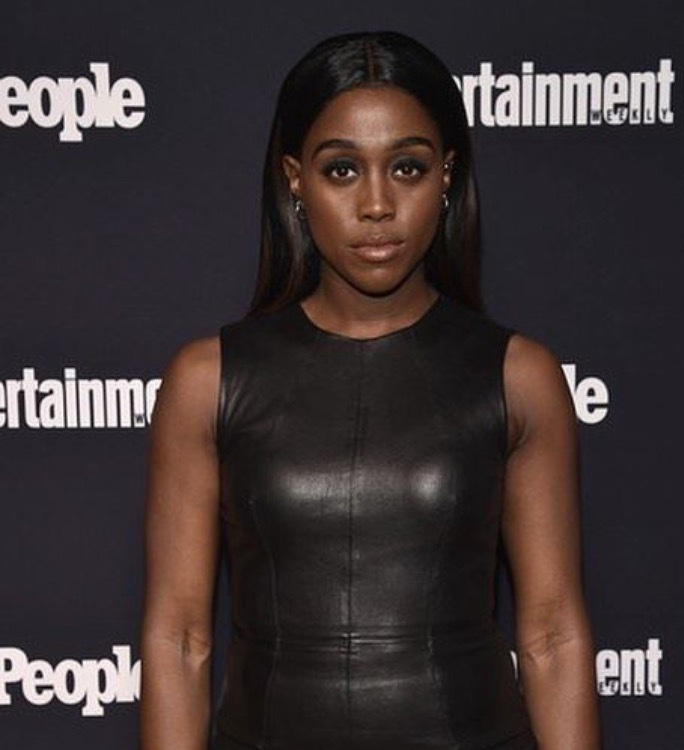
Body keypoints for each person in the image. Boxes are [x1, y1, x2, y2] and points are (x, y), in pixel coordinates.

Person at [139, 30, 600, 750]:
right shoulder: (208, 379)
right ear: (295, 180)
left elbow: (551, 633)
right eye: (343, 169)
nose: (378, 203)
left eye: (407, 167)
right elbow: (179, 636)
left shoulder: (518, 376)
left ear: (447, 175)